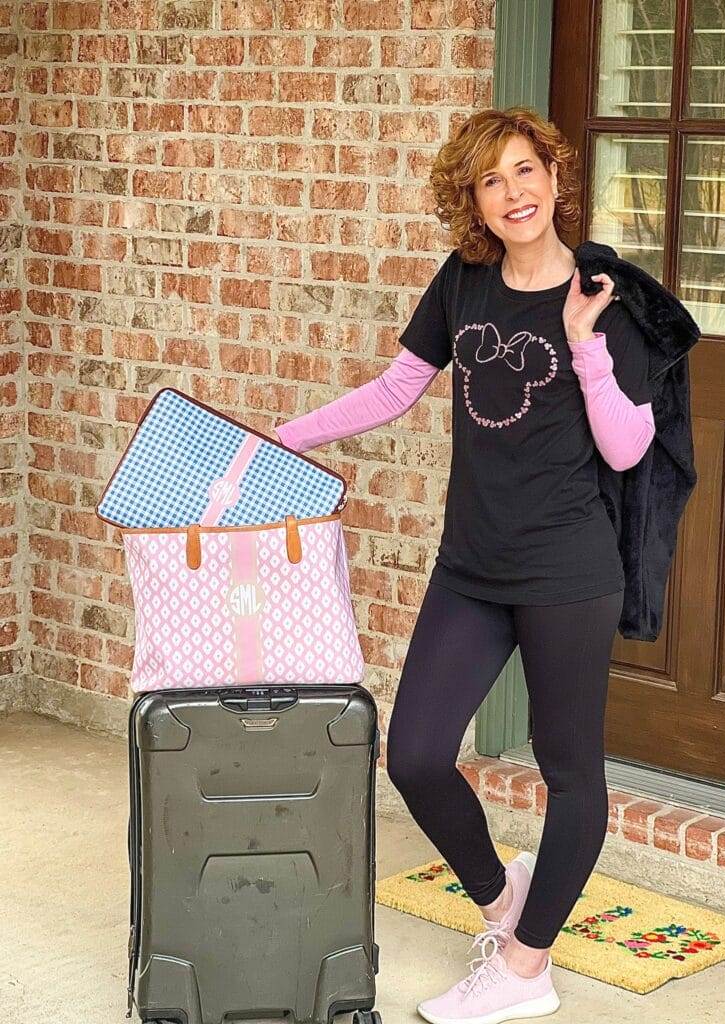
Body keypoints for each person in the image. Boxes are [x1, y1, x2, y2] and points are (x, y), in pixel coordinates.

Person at [269, 107, 658, 1022]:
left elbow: (630, 447)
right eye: (492, 179)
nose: (514, 192)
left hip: (567, 574)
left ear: (556, 178)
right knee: (412, 754)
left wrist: (584, 344)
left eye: (526, 170)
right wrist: (282, 441)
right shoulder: (466, 278)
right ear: (472, 200)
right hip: (472, 567)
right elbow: (399, 386)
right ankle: (504, 907)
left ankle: (526, 972)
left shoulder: (605, 292)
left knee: (571, 774)